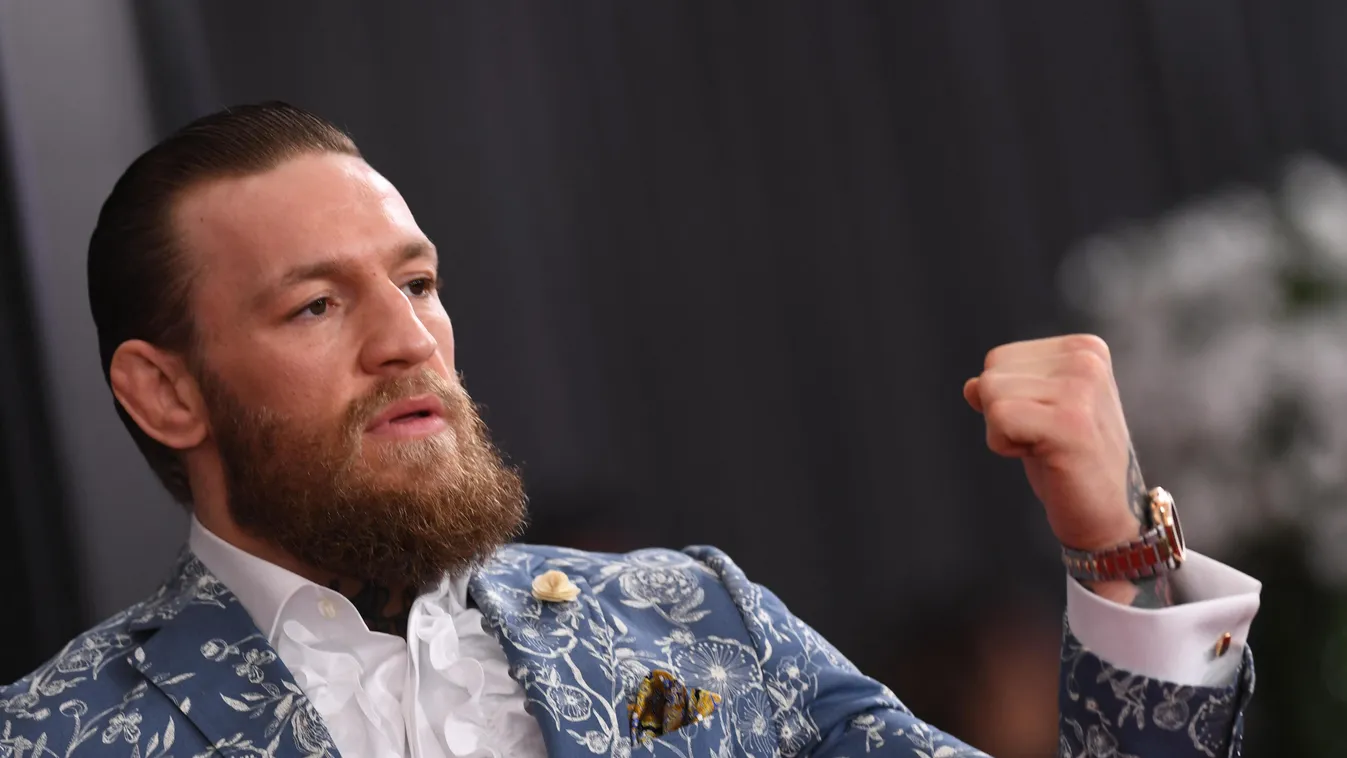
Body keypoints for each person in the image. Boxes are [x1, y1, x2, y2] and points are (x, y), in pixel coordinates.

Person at [0, 102, 1259, 758]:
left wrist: (1114, 544)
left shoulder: (691, 617)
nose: (408, 340)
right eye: (317, 304)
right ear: (167, 391)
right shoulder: (55, 733)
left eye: (421, 283)